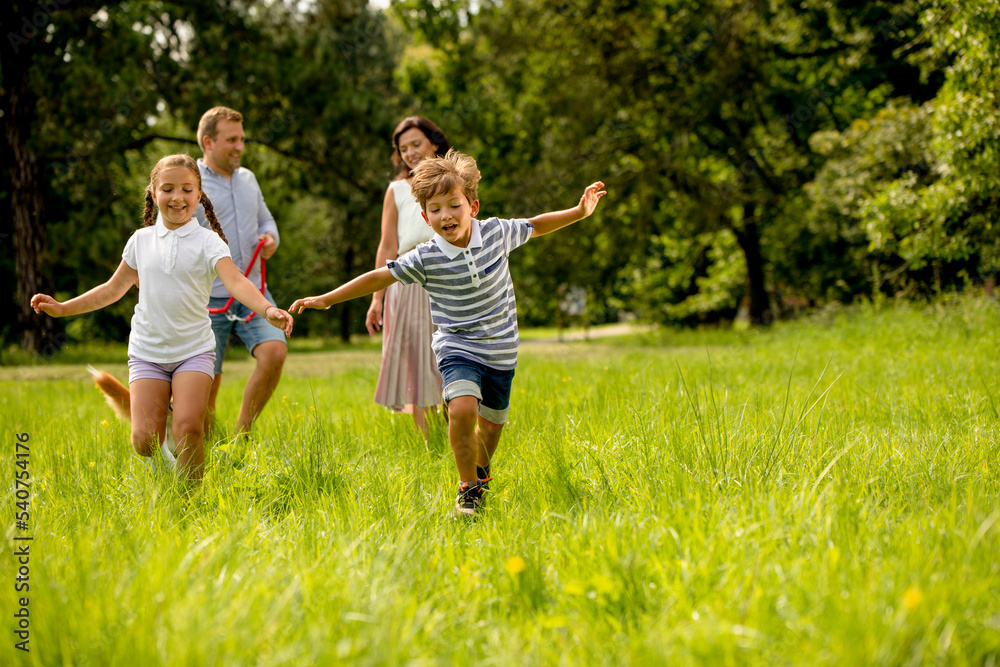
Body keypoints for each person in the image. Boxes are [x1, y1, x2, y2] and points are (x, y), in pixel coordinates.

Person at [290, 150, 606, 518]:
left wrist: (579, 212)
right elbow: (379, 276)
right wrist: (328, 299)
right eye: (435, 209)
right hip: (457, 346)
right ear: (425, 217)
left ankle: (481, 475)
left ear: (472, 205)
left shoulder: (496, 232)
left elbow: (536, 224)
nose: (446, 215)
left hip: (502, 349)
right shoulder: (425, 257)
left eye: (453, 205)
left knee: (491, 427)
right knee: (462, 409)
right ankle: (467, 488)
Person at [30, 154, 294, 482]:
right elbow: (112, 290)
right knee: (144, 441)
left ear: (199, 196)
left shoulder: (209, 242)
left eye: (187, 189)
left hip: (194, 351)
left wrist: (267, 309)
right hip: (147, 353)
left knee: (189, 429)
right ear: (154, 194)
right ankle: (173, 479)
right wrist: (62, 307)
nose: (177, 197)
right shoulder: (140, 242)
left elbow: (237, 281)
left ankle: (191, 503)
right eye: (168, 189)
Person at [194, 106, 286, 437]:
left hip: (252, 291)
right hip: (207, 299)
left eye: (242, 139)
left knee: (275, 351)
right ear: (208, 141)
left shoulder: (248, 178)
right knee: (206, 385)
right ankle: (203, 451)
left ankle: (240, 435)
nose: (239, 147)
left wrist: (271, 237)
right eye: (231, 140)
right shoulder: (191, 184)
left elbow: (266, 219)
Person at [365, 117, 451, 438]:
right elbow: (387, 246)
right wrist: (377, 298)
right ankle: (430, 448)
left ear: (434, 143)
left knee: (452, 357)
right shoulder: (397, 190)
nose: (411, 153)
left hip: (448, 277)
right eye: (404, 149)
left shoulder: (456, 182)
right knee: (419, 364)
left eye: (417, 144)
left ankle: (455, 436)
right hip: (408, 282)